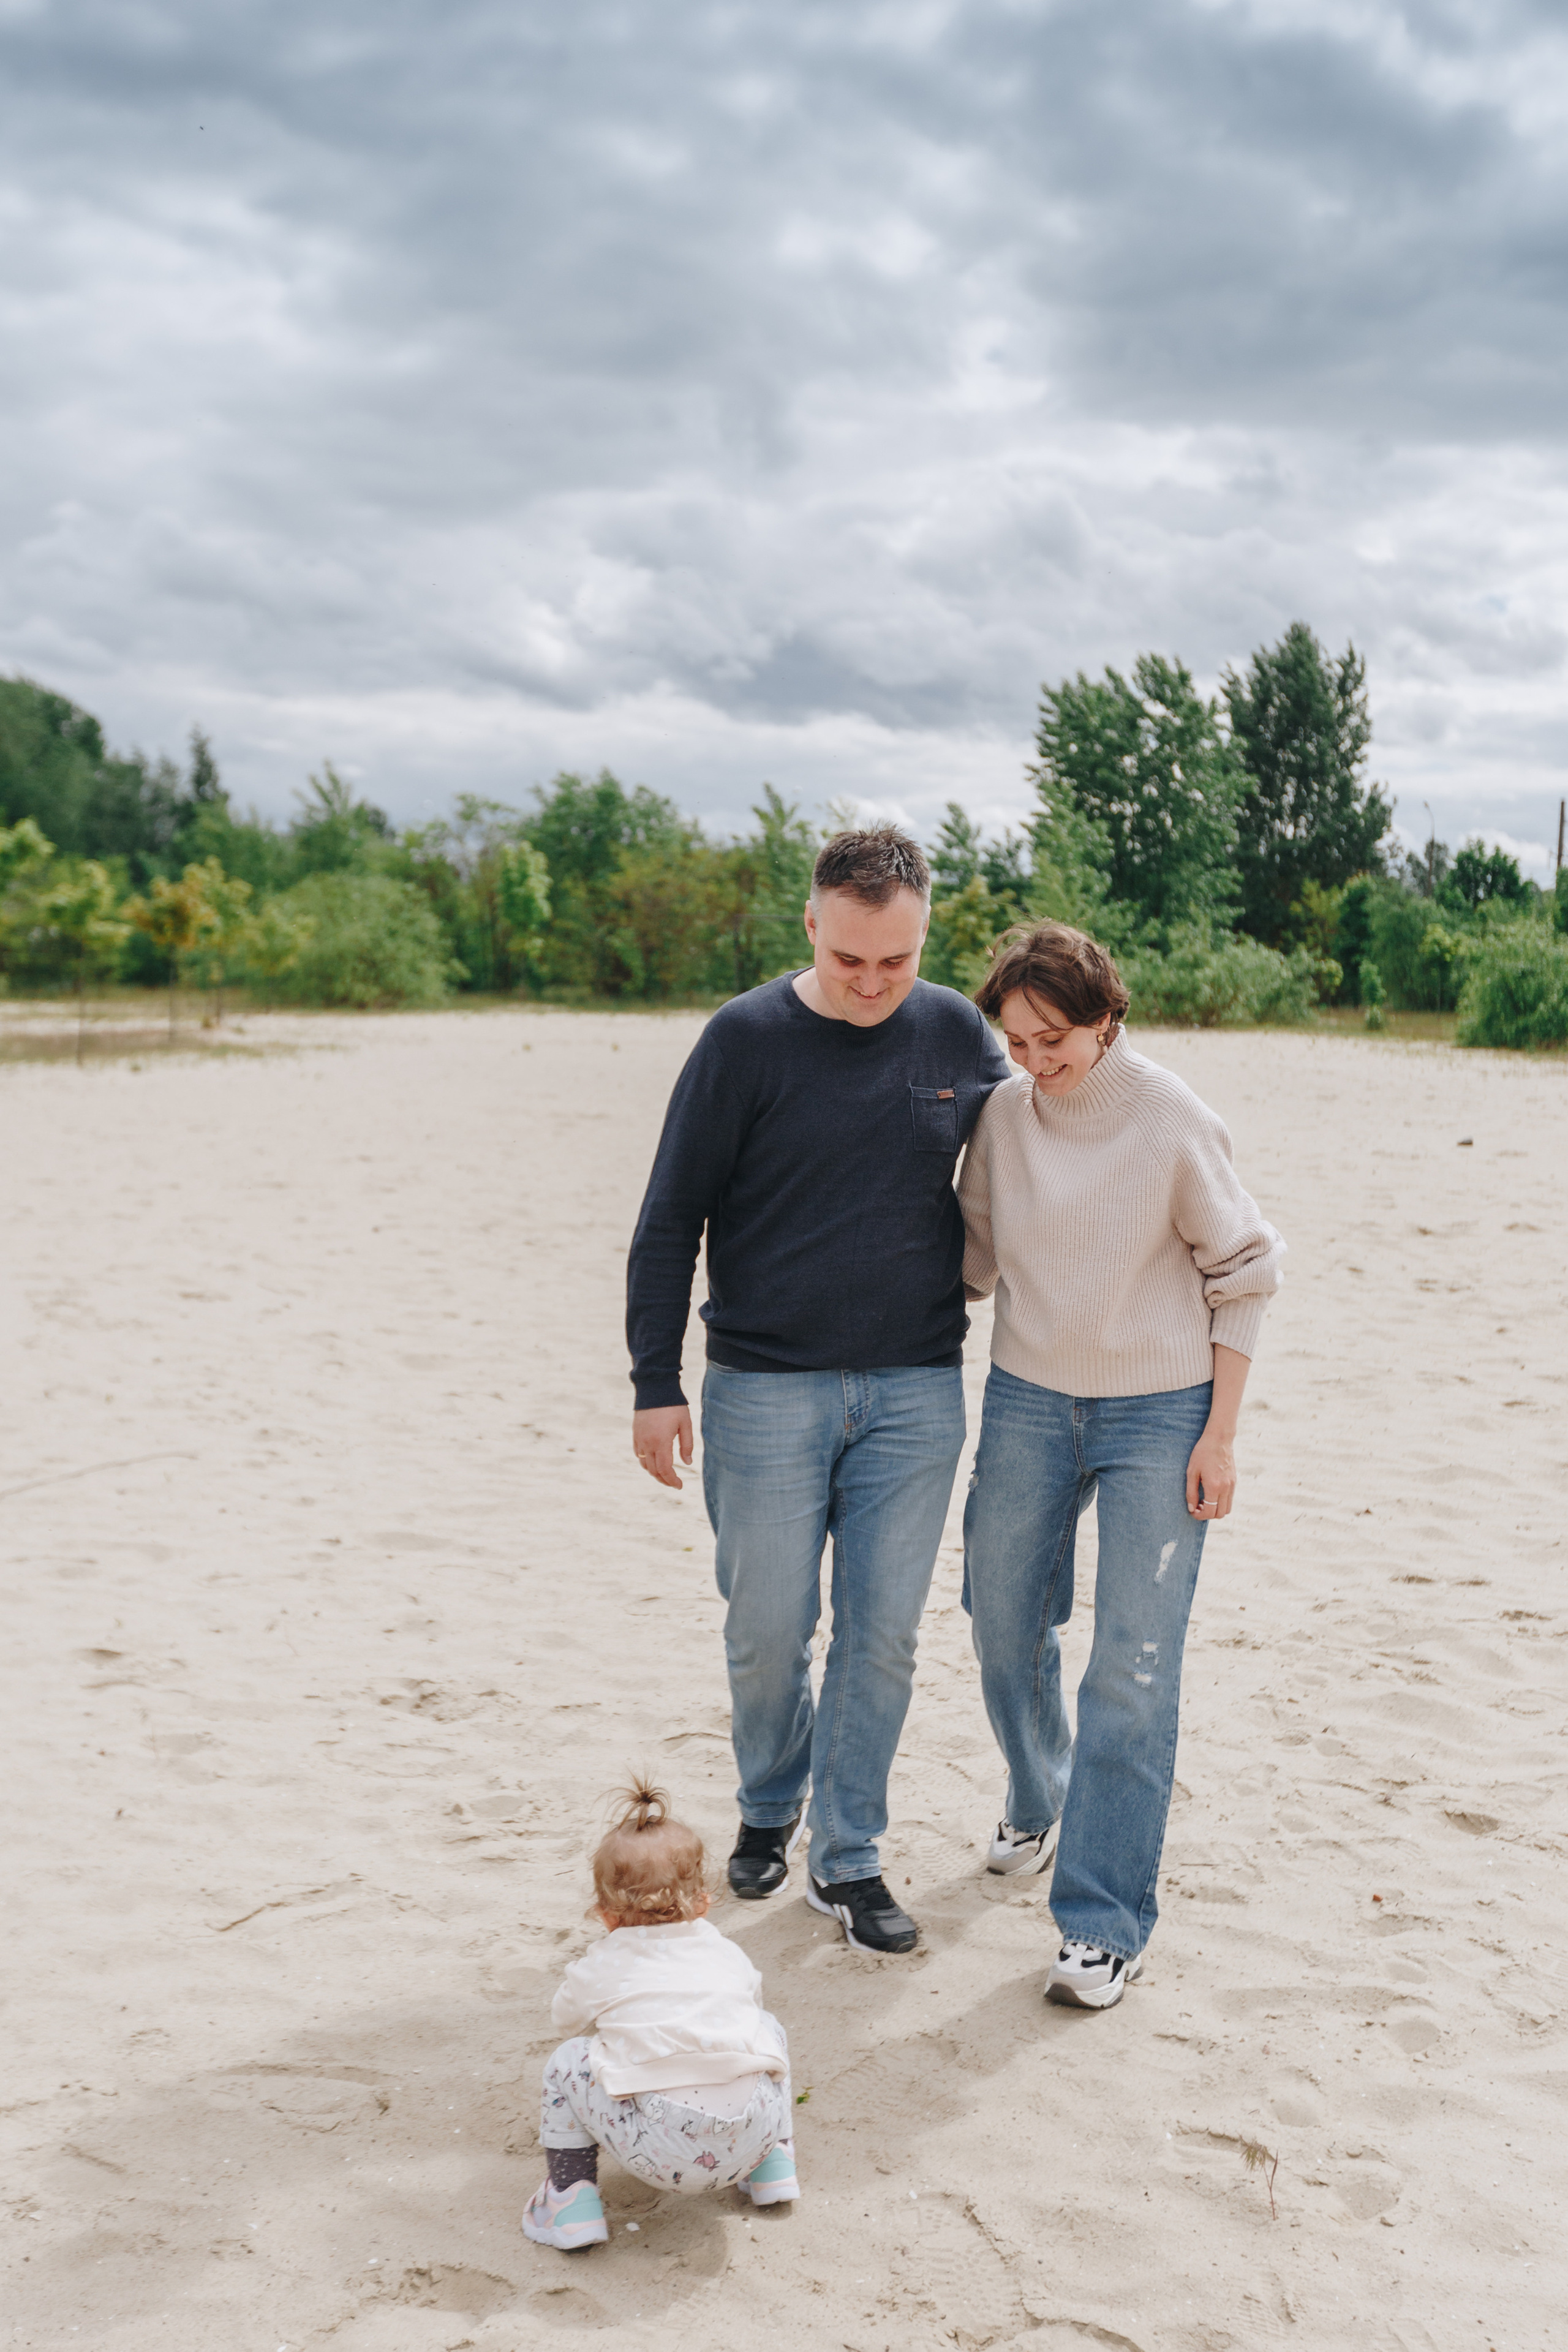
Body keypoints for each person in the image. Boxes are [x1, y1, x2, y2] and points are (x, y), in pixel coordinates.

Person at [626, 826, 1011, 1956]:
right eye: (851, 960)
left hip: (915, 1389)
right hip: (761, 1387)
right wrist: (657, 1381)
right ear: (811, 925)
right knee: (768, 1628)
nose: (874, 984)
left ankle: (847, 1860)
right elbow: (667, 1222)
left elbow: (1043, 1139)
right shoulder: (742, 1040)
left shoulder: (954, 1028)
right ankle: (767, 1802)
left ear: (921, 935)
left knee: (881, 1637)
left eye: (896, 961)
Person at [957, 921, 1284, 2011]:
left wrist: (1220, 1435)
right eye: (1015, 1041)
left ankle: (1101, 1924)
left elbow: (1243, 1273)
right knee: (1002, 1618)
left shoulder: (1172, 1119)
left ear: (1107, 1022)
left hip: (1162, 1407)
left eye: (1054, 1040)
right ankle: (1036, 1789)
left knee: (1133, 1667)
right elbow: (968, 1252)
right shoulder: (1005, 1118)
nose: (1036, 1063)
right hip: (1030, 1397)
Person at [523, 1780, 798, 2250]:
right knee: (766, 2029)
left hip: (663, 2150)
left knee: (569, 2059)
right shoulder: (725, 1950)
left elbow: (564, 2019)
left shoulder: (604, 1962)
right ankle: (775, 2165)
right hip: (753, 2131)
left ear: (606, 1915)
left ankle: (571, 2202)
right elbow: (749, 2003)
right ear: (705, 1903)